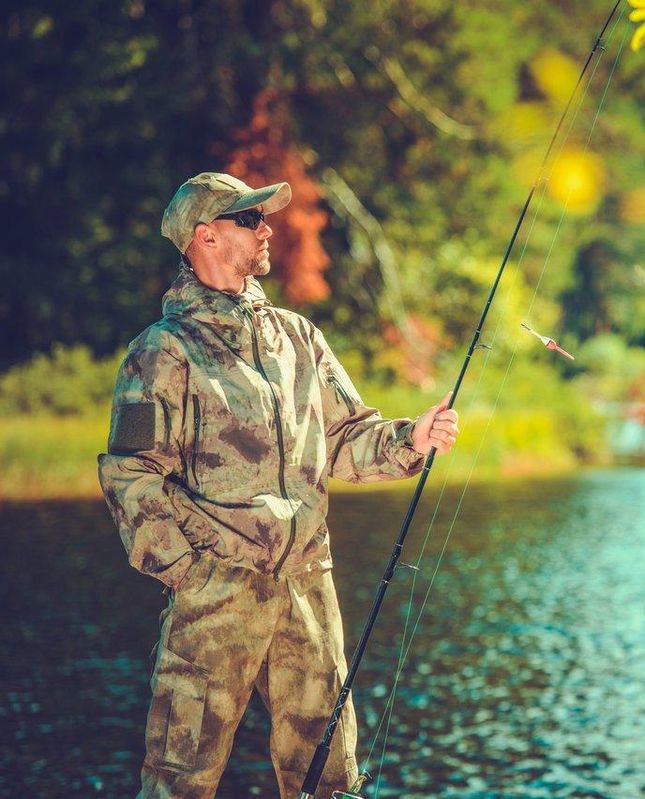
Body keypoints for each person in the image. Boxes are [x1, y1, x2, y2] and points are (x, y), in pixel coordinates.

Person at [97, 172, 459, 799]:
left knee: (330, 775)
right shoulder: (162, 351)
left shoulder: (298, 337)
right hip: (216, 592)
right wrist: (190, 571)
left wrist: (412, 440)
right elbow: (132, 475)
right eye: (249, 220)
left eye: (264, 218)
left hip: (307, 584)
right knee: (180, 776)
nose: (267, 230)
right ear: (205, 237)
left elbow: (347, 440)